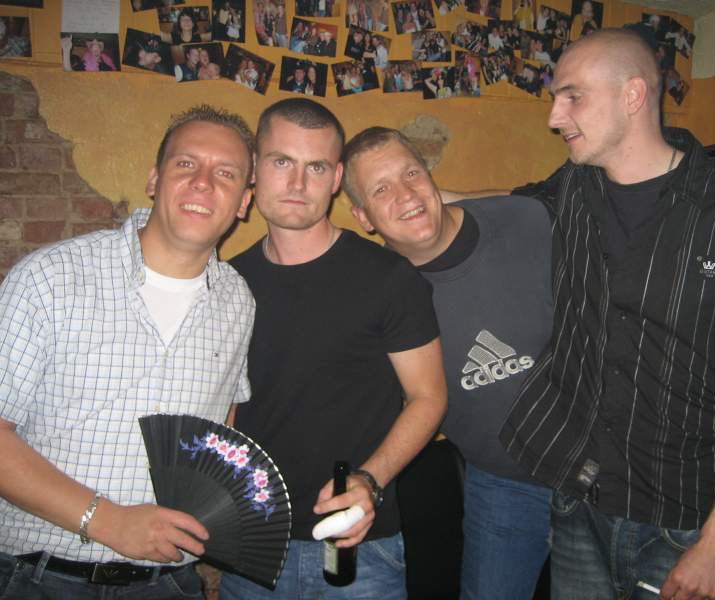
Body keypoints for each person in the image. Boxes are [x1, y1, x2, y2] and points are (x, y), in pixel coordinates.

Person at [499, 28, 715, 600]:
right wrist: (408, 202)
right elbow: (489, 216)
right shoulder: (573, 187)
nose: (554, 117)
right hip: (578, 498)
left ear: (633, 95)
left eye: (572, 97)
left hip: (683, 522)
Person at [0, 105, 256, 599]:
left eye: (226, 173)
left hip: (169, 583)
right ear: (155, 179)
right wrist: (108, 520)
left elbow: (223, 418)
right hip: (40, 578)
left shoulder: (237, 300)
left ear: (244, 201)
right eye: (186, 164)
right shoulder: (51, 277)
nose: (203, 182)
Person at [218, 98, 447, 600]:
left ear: (337, 177)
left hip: (359, 547)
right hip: (253, 544)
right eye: (282, 162)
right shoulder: (228, 283)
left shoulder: (389, 278)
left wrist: (371, 480)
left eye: (316, 167)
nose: (298, 183)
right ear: (255, 167)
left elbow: (429, 397)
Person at [343, 127, 554, 600]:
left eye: (411, 174)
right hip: (502, 486)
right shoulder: (378, 292)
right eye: (381, 190)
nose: (405, 195)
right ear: (363, 217)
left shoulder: (524, 221)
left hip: (598, 468)